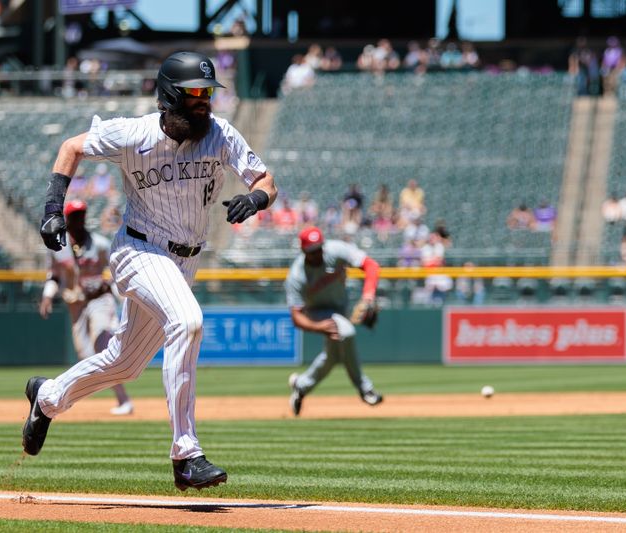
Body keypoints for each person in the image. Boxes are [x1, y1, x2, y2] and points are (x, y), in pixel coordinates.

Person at [23, 51, 278, 493]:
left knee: (124, 364)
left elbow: (265, 180)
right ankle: (186, 454)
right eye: (195, 94)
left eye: (208, 94)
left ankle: (46, 399)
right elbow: (71, 148)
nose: (205, 102)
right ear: (168, 96)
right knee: (188, 320)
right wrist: (52, 209)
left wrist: (255, 199)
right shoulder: (133, 132)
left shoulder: (220, 134)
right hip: (137, 249)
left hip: (185, 260)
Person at [39, 200, 134, 416]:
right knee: (86, 354)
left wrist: (122, 298)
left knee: (102, 344)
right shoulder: (58, 248)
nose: (79, 219)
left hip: (100, 299)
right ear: (66, 219)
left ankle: (124, 401)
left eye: (81, 214)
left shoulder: (99, 244)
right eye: (74, 215)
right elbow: (53, 275)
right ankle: (75, 396)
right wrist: (47, 297)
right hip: (77, 304)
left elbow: (116, 272)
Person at [286, 226, 383, 416]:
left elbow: (371, 265)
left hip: (340, 309)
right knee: (346, 332)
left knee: (332, 357)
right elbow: (296, 316)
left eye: (319, 248)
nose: (318, 253)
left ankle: (301, 386)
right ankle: (365, 388)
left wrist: (369, 296)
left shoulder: (335, 249)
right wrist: (317, 326)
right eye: (312, 251)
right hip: (315, 313)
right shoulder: (296, 275)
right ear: (304, 251)